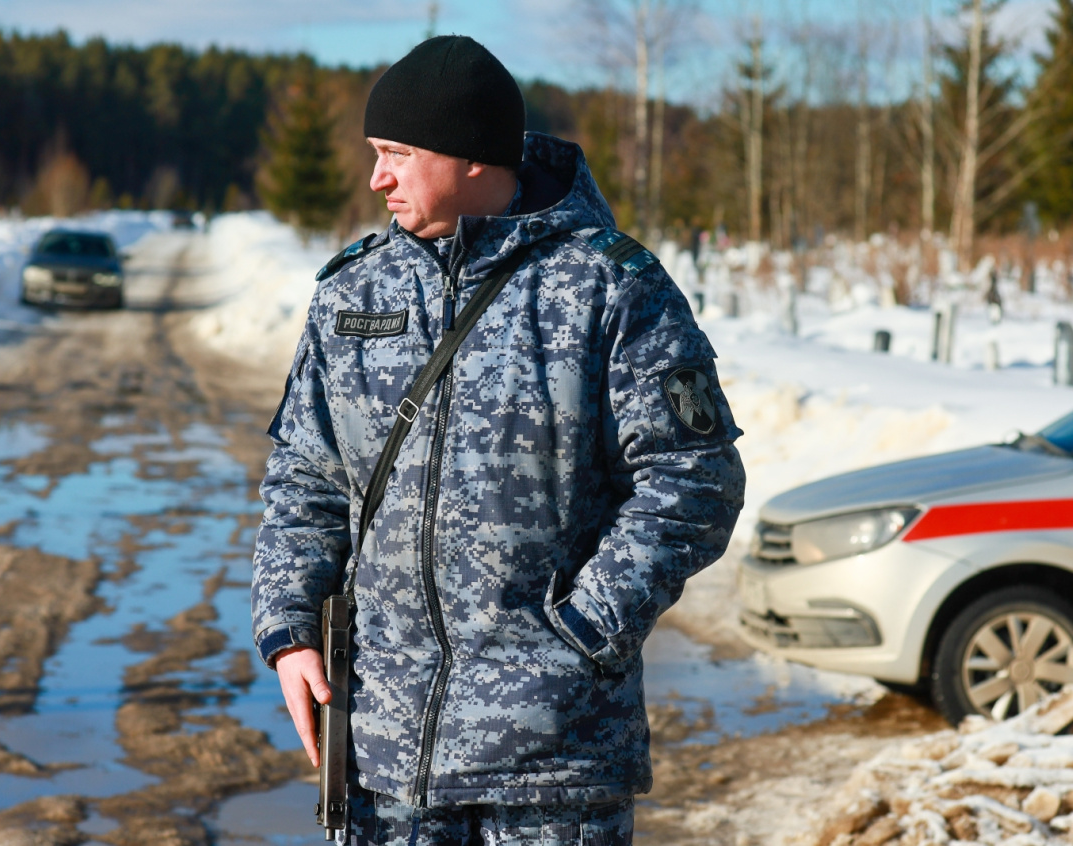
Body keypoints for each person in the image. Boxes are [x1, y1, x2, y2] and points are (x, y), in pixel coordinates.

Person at [252, 35, 745, 846]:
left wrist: (584, 632)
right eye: (376, 153)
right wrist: (292, 630)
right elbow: (306, 476)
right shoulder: (353, 292)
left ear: (472, 155)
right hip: (383, 757)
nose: (377, 178)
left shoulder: (608, 287)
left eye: (397, 154)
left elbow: (694, 480)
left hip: (553, 765)